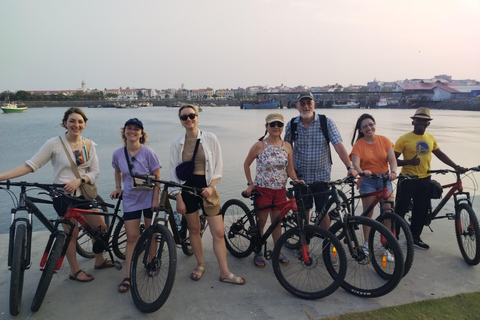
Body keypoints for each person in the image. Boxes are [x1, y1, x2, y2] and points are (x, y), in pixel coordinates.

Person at [0, 107, 111, 282]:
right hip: (62, 195)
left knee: (101, 228)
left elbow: (95, 172)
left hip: (84, 194)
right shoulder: (54, 143)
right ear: (65, 123)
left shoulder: (89, 144)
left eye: (80, 121)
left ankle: (99, 260)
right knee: (70, 234)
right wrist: (2, 176)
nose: (76, 125)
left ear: (85, 124)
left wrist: (80, 180)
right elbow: (31, 165)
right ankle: (74, 271)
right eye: (72, 121)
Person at [170, 104, 245, 285]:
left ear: (197, 117)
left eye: (192, 115)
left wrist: (211, 187)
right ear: (180, 121)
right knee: (194, 229)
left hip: (207, 188)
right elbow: (173, 172)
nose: (188, 119)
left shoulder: (210, 138)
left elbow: (218, 166)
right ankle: (200, 264)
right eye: (184, 117)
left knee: (218, 232)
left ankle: (224, 272)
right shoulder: (176, 143)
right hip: (187, 189)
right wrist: (178, 198)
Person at [284, 91, 358, 230]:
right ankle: (304, 244)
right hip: (301, 177)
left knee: (322, 211)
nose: (306, 106)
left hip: (321, 176)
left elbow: (338, 145)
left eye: (308, 103)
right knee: (303, 211)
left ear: (314, 104)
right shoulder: (292, 124)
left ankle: (327, 244)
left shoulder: (326, 122)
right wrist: (286, 172)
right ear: (297, 106)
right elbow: (286, 149)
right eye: (303, 103)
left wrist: (349, 167)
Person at [394, 107, 465, 250]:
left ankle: (414, 238)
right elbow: (392, 160)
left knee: (421, 210)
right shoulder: (403, 139)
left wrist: (456, 166)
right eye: (418, 120)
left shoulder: (430, 138)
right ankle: (393, 238)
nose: (421, 122)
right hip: (407, 179)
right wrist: (408, 162)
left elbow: (440, 154)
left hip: (425, 179)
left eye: (424, 121)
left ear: (428, 124)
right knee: (400, 209)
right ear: (413, 122)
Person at [110, 118, 161, 293]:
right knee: (132, 237)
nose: (132, 131)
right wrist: (118, 188)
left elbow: (158, 175)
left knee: (151, 232)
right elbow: (117, 170)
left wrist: (156, 198)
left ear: (141, 133)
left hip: (148, 197)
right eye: (129, 128)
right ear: (124, 132)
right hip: (130, 199)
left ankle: (152, 260)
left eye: (136, 129)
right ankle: (128, 275)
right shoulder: (118, 153)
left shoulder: (148, 153)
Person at [243, 113, 301, 268]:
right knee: (261, 223)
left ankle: (277, 250)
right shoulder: (259, 145)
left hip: (280, 190)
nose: (276, 127)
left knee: (277, 223)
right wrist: (250, 184)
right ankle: (258, 251)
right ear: (266, 127)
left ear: (283, 127)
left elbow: (290, 168)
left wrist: (296, 180)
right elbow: (246, 164)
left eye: (279, 125)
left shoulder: (287, 146)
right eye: (272, 124)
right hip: (263, 190)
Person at [350, 113, 397, 260]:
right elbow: (355, 164)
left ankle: (385, 244)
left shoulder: (384, 140)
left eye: (371, 124)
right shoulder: (359, 145)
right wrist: (362, 172)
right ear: (360, 129)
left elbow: (392, 160)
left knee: (387, 211)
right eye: (365, 126)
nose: (369, 128)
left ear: (375, 125)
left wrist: (394, 172)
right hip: (368, 182)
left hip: (384, 179)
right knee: (368, 214)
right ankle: (366, 243)